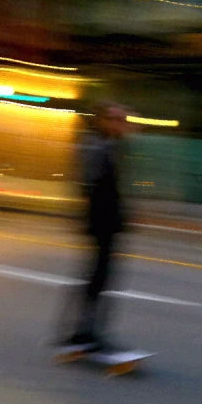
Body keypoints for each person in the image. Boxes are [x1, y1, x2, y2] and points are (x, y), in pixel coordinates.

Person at [58, 101, 136, 353]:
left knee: (97, 279)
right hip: (101, 223)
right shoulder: (97, 146)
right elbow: (92, 187)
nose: (121, 125)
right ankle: (85, 333)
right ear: (102, 121)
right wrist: (98, 218)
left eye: (123, 120)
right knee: (98, 279)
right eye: (115, 119)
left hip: (107, 223)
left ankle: (84, 332)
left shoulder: (109, 147)